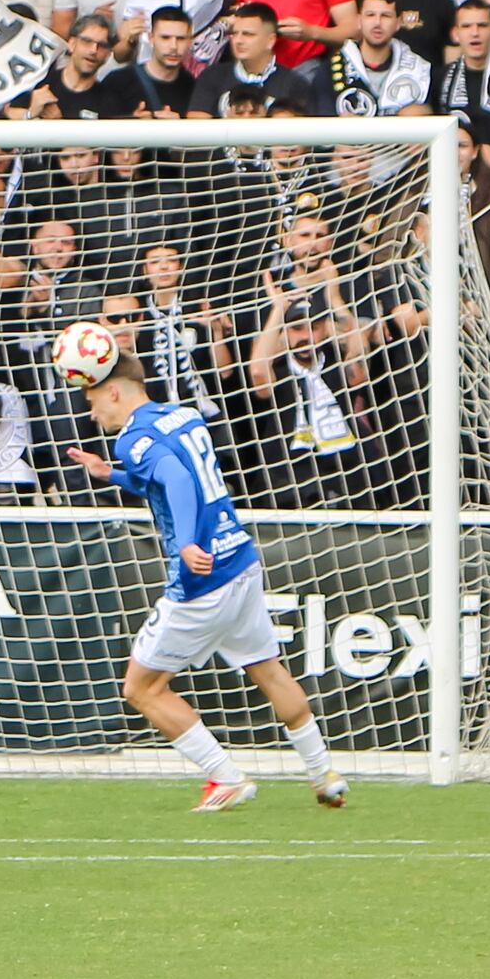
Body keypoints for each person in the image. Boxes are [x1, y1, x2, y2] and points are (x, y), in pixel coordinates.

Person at [57, 313, 349, 813]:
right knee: (270, 670)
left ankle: (225, 777)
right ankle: (323, 774)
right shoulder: (184, 416)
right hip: (241, 560)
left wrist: (189, 542)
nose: (91, 414)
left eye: (91, 401)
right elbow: (172, 473)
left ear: (114, 393)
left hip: (204, 576)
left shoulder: (133, 437)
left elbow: (175, 480)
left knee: (141, 687)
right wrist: (113, 475)